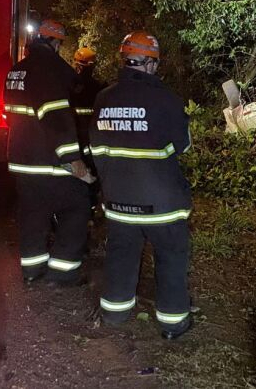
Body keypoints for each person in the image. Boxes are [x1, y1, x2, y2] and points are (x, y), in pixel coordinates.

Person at [90, 30, 194, 340]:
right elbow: (182, 146)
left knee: (121, 255)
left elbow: (96, 149)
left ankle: (115, 314)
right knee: (171, 258)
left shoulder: (103, 98)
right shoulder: (165, 99)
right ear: (150, 64)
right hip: (162, 204)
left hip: (119, 201)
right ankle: (173, 324)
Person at [3, 19, 92, 285]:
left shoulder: (17, 71)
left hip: (23, 161)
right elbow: (55, 116)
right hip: (50, 162)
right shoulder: (50, 70)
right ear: (56, 43)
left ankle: (32, 271)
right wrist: (72, 158)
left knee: (32, 216)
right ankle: (63, 273)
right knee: (76, 208)